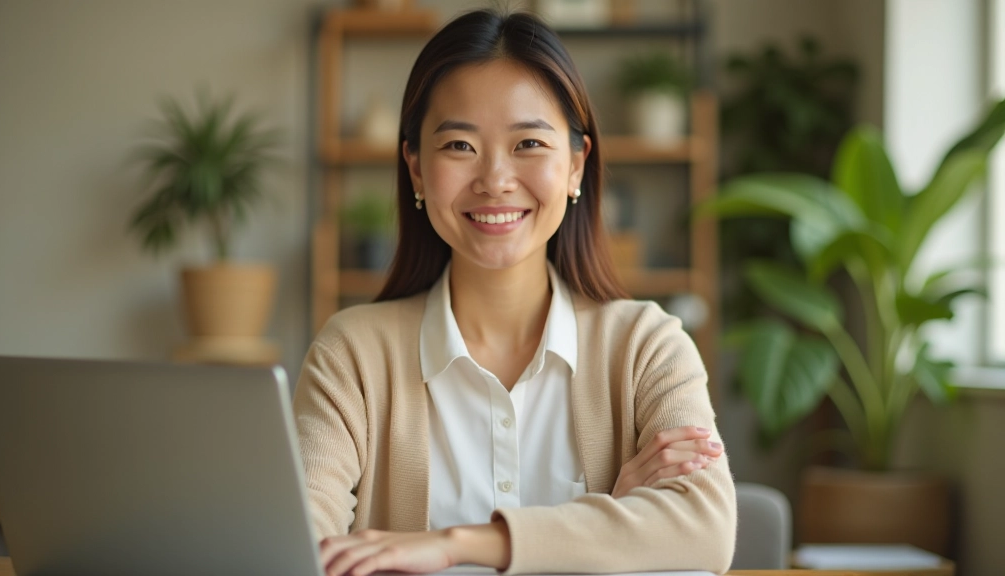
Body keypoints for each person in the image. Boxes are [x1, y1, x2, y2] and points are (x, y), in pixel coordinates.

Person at [293, 8, 736, 576]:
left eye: (529, 142)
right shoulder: (352, 355)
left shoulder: (646, 346)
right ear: (416, 170)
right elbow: (298, 546)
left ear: (576, 165)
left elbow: (704, 529)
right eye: (459, 146)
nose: (495, 179)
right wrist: (613, 521)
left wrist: (458, 544)